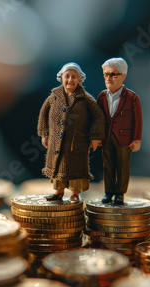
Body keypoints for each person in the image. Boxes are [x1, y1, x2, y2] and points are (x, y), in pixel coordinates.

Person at [38, 62, 105, 203]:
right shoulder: (54, 96)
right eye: (67, 76)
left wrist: (94, 137)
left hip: (77, 142)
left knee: (76, 169)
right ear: (61, 78)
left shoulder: (85, 99)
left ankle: (75, 193)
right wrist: (44, 133)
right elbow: (44, 113)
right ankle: (58, 192)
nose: (70, 80)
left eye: (74, 77)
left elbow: (98, 116)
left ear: (80, 79)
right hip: (56, 142)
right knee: (57, 167)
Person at [97, 58, 142, 205]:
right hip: (107, 137)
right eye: (106, 74)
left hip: (124, 138)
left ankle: (120, 193)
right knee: (107, 165)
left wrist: (136, 139)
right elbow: (97, 119)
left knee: (122, 166)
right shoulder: (102, 96)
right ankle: (108, 192)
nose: (108, 78)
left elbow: (138, 120)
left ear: (123, 75)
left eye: (113, 74)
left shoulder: (132, 97)